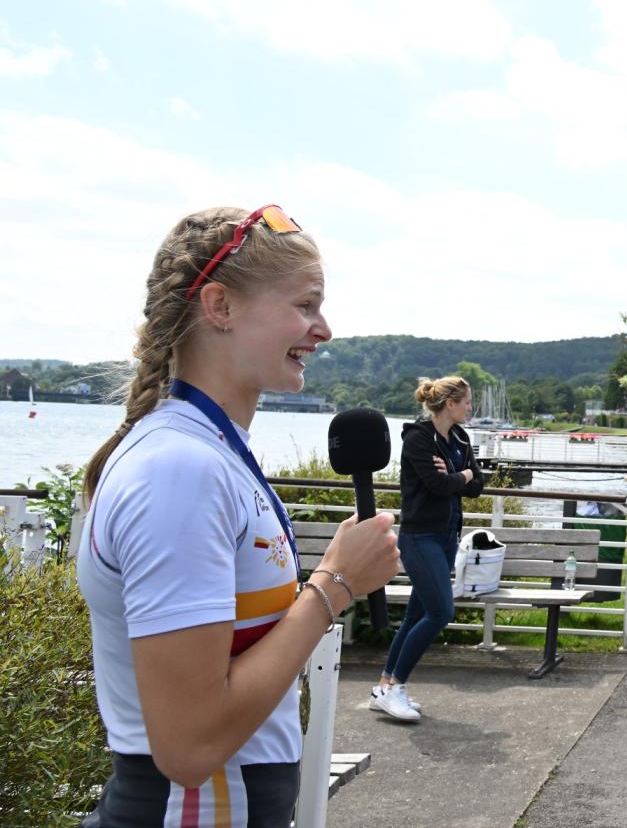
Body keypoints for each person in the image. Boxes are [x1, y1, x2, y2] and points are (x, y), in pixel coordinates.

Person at [76, 205, 400, 826]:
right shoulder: (181, 470)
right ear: (220, 306)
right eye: (305, 304)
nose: (324, 329)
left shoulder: (206, 453)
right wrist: (334, 586)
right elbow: (190, 747)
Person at [372, 376, 485, 722]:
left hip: (447, 535)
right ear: (450, 404)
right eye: (467, 401)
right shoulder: (418, 439)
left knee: (415, 616)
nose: (470, 407)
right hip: (420, 538)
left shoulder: (460, 438)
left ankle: (383, 687)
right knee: (440, 612)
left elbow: (477, 484)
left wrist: (458, 475)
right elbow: (437, 485)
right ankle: (396, 688)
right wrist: (461, 475)